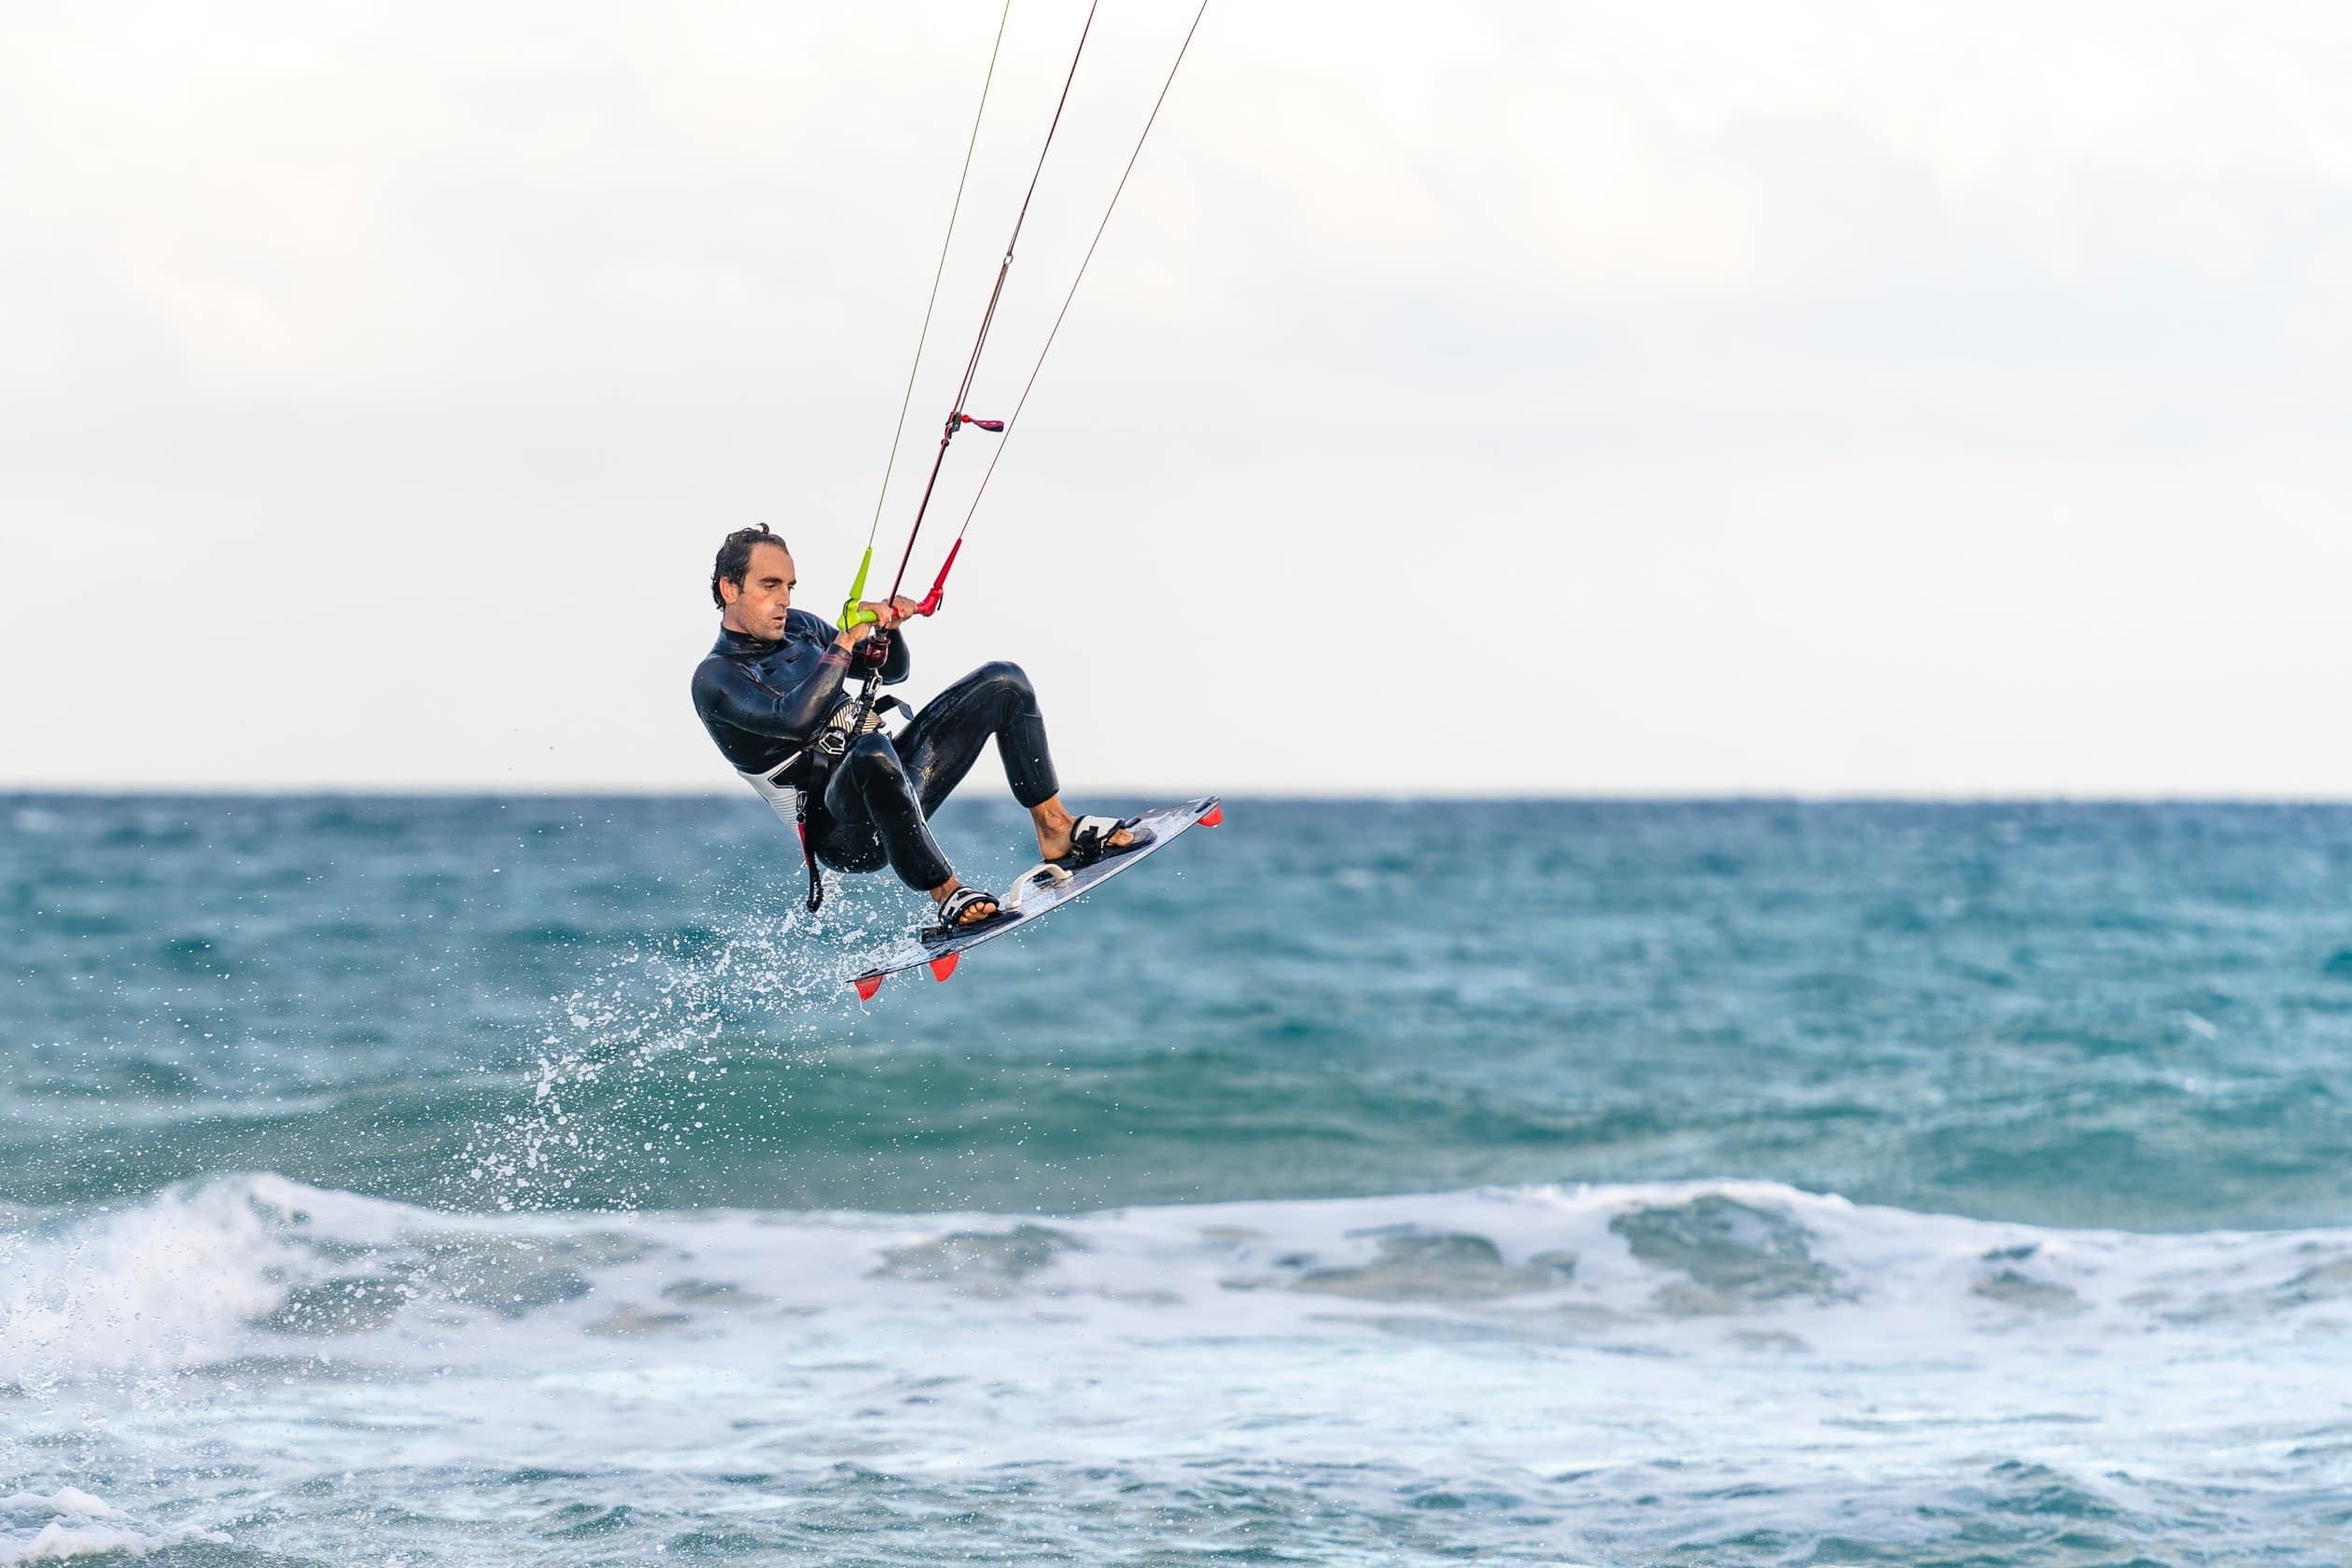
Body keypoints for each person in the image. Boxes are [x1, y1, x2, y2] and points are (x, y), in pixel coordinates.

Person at [692, 524, 1141, 929]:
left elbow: (891, 672)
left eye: (789, 586)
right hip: (847, 834)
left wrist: (886, 631)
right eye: (769, 586)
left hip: (899, 780)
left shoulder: (802, 628)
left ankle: (1055, 827)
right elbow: (795, 718)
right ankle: (946, 892)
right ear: (729, 589)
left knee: (1004, 682)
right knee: (868, 751)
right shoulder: (717, 678)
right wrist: (848, 639)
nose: (784, 600)